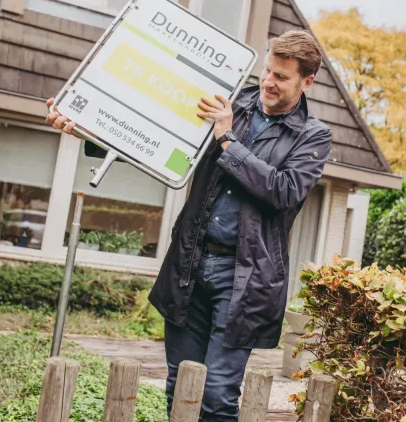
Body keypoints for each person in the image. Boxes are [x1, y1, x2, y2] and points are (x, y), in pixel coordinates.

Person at [45, 30, 332, 421]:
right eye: (267, 71)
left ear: (307, 82)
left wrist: (228, 140)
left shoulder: (313, 136)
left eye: (281, 77)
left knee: (215, 395)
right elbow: (159, 138)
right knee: (180, 385)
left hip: (245, 278)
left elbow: (284, 191)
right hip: (191, 262)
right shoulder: (232, 102)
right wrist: (85, 126)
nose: (267, 81)